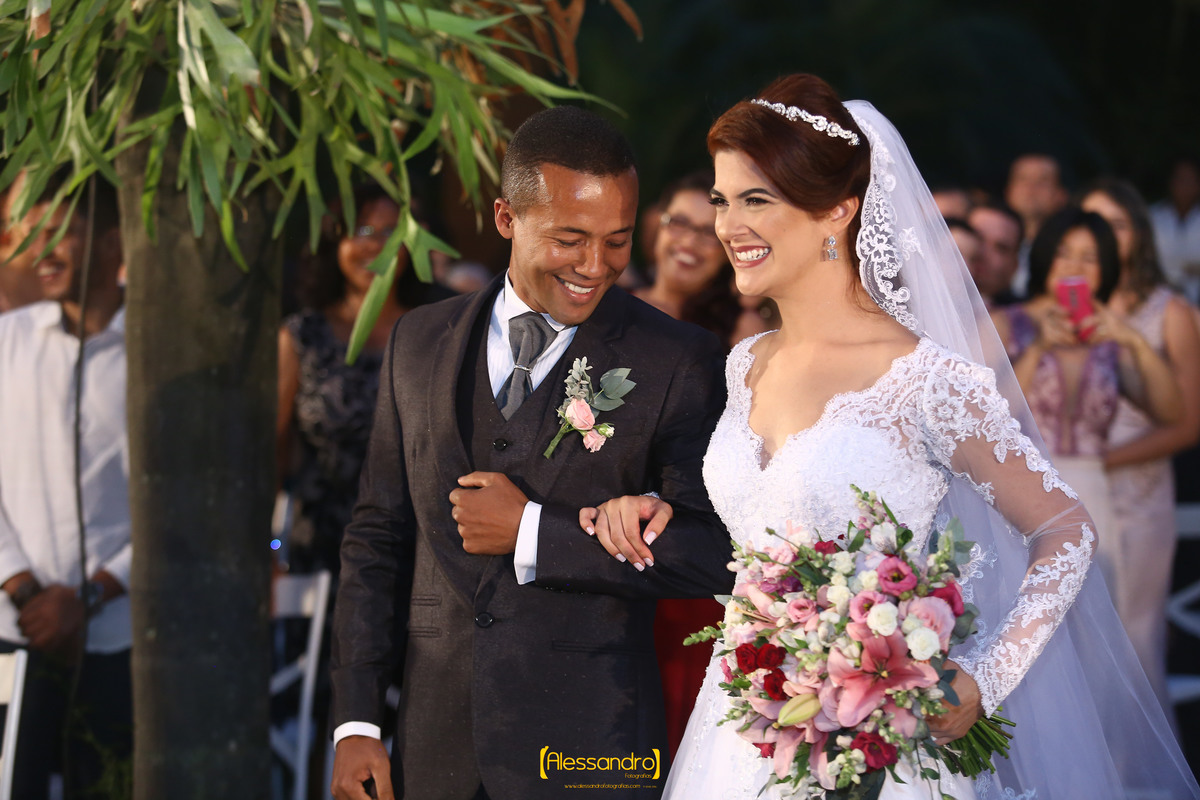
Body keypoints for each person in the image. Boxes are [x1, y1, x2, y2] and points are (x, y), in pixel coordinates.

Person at [582, 74, 1199, 799]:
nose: (729, 226)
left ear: (836, 211)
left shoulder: (923, 377)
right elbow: (760, 529)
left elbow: (1066, 529)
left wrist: (982, 677)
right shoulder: (747, 362)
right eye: (722, 200)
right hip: (740, 726)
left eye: (756, 200)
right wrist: (657, 508)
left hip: (880, 743)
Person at [328, 105, 734, 800]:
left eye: (617, 241)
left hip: (595, 751)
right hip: (435, 745)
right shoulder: (418, 341)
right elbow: (377, 538)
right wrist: (357, 721)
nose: (596, 267)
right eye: (570, 239)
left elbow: (709, 550)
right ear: (506, 218)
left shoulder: (678, 359)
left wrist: (534, 533)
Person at [0, 179, 132, 799]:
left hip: (119, 636)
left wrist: (88, 596)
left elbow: (174, 507)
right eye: (34, 234)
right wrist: (28, 593)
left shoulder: (156, 352)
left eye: (60, 232)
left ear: (111, 242)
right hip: (16, 630)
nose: (42, 250)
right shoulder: (8, 340)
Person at [991, 207, 1182, 571]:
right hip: (1019, 491)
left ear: (1105, 268)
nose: (1073, 266)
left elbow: (1170, 413)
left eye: (1089, 258)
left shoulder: (1108, 337)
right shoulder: (1004, 324)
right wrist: (1038, 349)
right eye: (1063, 252)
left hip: (1093, 496)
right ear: (1045, 255)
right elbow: (982, 417)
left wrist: (1136, 342)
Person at [278, 183, 450, 575]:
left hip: (420, 548)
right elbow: (275, 445)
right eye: (362, 230)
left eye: (391, 232)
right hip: (324, 549)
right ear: (334, 240)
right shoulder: (301, 337)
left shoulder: (439, 332)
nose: (376, 246)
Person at [1081, 178, 1200, 723]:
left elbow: (1189, 422)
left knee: (1133, 635)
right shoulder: (1060, 306)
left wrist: (1097, 464)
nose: (1104, 236)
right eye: (1092, 222)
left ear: (1140, 234)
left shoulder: (1169, 311)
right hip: (1064, 490)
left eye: (1118, 223)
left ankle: (1135, 765)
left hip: (1137, 489)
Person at [1005, 154, 1069, 297]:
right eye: (1022, 179)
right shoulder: (988, 244)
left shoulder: (1070, 251)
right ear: (1008, 191)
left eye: (1043, 181)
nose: (1031, 188)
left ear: (1061, 195)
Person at [1149, 156, 1200, 303]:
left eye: (1190, 180)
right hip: (1159, 296)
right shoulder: (1153, 216)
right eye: (1180, 179)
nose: (1184, 186)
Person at [967, 202, 1024, 307]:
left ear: (1015, 265)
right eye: (977, 238)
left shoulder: (1025, 313)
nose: (983, 253)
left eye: (1000, 248)